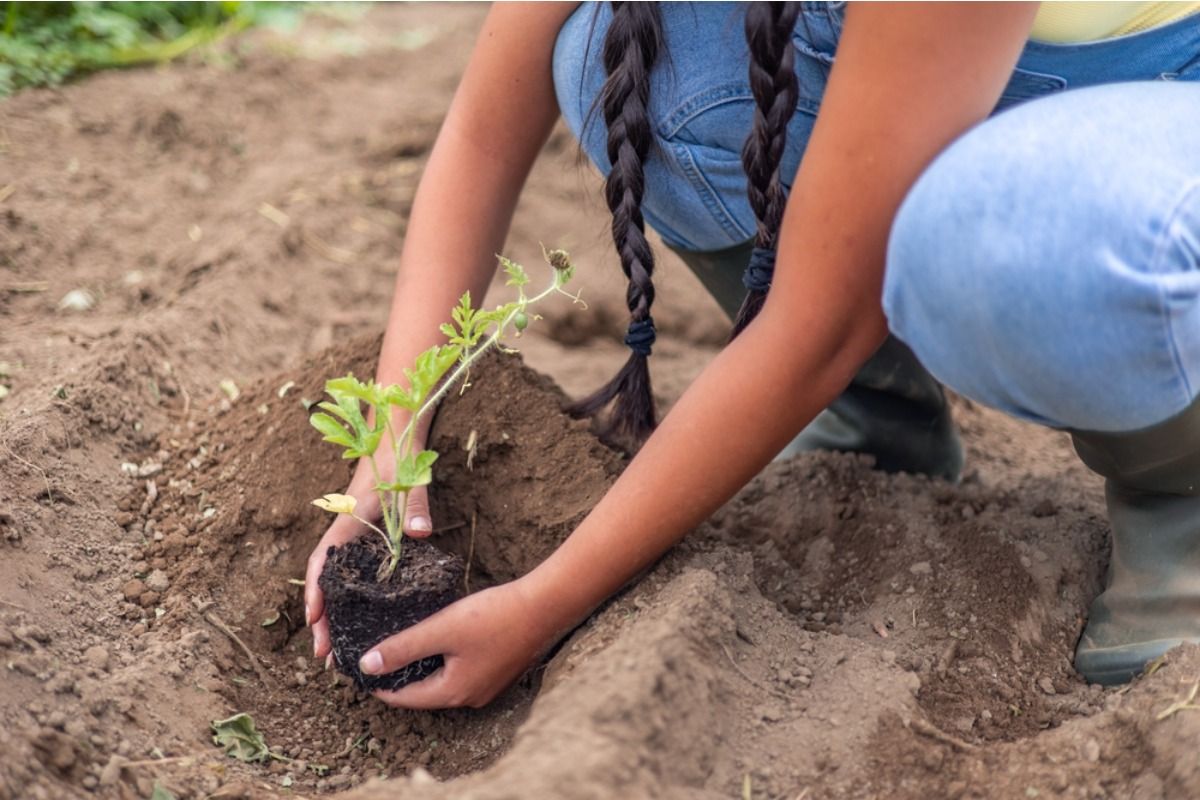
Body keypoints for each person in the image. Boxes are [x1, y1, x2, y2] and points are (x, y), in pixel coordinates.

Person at [304, 1, 1200, 707]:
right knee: (617, 55)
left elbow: (817, 326)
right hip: (927, 73)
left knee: (982, 241)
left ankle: (1180, 495)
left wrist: (542, 606)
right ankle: (875, 416)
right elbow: (481, 135)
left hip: (1150, 114)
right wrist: (391, 443)